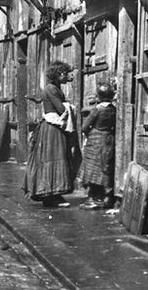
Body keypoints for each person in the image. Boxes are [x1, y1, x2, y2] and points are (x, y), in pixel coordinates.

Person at [24, 60, 78, 207]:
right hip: (52, 129)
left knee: (55, 158)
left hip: (54, 128)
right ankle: (52, 196)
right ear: (58, 74)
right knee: (54, 158)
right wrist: (71, 107)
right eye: (65, 73)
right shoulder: (51, 89)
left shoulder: (55, 87)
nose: (67, 76)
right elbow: (61, 109)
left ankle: (53, 195)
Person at [79, 81, 116, 209]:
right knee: (104, 167)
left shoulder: (97, 110)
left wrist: (89, 132)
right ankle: (105, 196)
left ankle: (92, 196)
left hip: (94, 140)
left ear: (99, 96)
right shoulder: (113, 110)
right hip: (108, 139)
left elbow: (84, 127)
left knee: (91, 168)